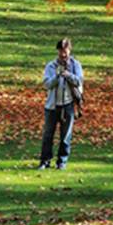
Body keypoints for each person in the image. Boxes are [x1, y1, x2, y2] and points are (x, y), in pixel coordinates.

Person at [39, 38, 83, 170]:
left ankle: (62, 161)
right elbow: (46, 84)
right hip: (52, 106)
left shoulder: (76, 65)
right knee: (48, 135)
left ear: (69, 50)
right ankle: (45, 161)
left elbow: (79, 81)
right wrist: (57, 77)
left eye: (65, 51)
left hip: (68, 105)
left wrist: (68, 75)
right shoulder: (51, 66)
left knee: (66, 136)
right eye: (60, 51)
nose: (63, 54)